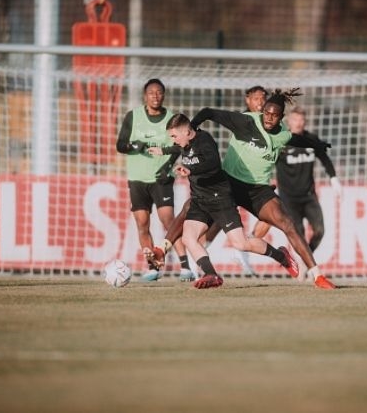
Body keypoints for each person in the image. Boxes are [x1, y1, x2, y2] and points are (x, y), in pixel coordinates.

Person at [150, 88, 337, 289]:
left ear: (281, 117)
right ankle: (170, 252)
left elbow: (295, 139)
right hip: (227, 185)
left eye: (274, 115)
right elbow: (208, 112)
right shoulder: (246, 122)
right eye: (266, 113)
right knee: (191, 207)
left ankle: (317, 275)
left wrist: (316, 144)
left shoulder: (282, 133)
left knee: (287, 224)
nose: (269, 118)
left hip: (257, 190)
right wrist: (191, 131)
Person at [152, 113, 299, 289]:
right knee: (188, 238)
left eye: (174, 136)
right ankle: (211, 274)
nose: (173, 140)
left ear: (186, 131)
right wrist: (164, 151)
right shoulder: (184, 143)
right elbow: (178, 149)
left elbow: (212, 164)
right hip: (199, 200)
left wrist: (191, 170)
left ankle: (281, 256)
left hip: (220, 199)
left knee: (241, 243)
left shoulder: (205, 140)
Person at [115, 78, 193, 282]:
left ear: (164, 95)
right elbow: (120, 144)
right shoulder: (133, 116)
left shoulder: (171, 118)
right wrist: (135, 146)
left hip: (162, 179)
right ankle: (153, 267)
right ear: (145, 95)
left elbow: (179, 146)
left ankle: (185, 266)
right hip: (137, 179)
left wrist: (167, 167)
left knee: (169, 220)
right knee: (142, 223)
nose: (155, 96)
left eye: (159, 92)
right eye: (151, 93)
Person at [253, 106, 342, 255]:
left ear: (305, 121)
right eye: (295, 119)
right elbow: (265, 162)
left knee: (320, 230)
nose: (299, 123)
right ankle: (304, 264)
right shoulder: (281, 141)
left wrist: (333, 178)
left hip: (309, 196)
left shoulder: (311, 139)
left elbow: (324, 158)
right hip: (288, 199)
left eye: (301, 119)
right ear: (289, 121)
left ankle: (307, 258)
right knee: (298, 234)